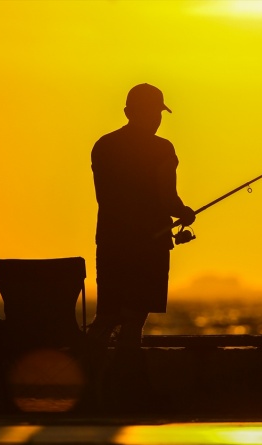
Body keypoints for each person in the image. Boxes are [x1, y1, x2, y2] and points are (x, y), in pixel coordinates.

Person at [88, 83, 195, 347]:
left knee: (107, 316)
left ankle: (85, 368)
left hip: (110, 242)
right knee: (134, 321)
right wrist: (185, 213)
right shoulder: (162, 149)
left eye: (158, 114)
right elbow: (168, 199)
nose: (157, 120)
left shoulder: (103, 146)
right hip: (149, 245)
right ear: (130, 112)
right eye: (154, 113)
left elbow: (107, 197)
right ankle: (130, 378)